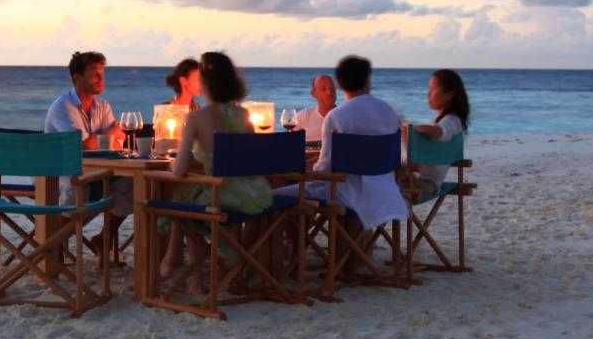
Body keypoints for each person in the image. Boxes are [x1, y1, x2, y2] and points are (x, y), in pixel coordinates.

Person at [284, 55, 410, 273]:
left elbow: (324, 168)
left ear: (340, 84)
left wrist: (307, 169)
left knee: (277, 196)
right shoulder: (389, 112)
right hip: (385, 191)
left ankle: (294, 260)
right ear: (368, 81)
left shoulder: (337, 116)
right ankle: (348, 261)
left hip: (345, 193)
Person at [163, 51, 275, 292]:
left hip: (220, 199)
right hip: (252, 197)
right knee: (190, 198)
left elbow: (179, 170)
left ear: (204, 83)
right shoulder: (244, 115)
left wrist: (173, 164)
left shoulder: (196, 118)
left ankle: (196, 280)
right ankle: (234, 265)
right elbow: (253, 159)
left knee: (184, 197)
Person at [45, 50, 128, 254]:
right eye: (94, 74)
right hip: (58, 174)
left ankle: (104, 237)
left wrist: (103, 138)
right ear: (77, 78)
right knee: (77, 191)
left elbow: (120, 139)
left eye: (102, 74)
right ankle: (50, 249)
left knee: (132, 185)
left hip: (96, 172)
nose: (101, 79)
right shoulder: (63, 106)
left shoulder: (103, 106)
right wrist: (109, 134)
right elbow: (81, 145)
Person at [407, 69, 470, 198]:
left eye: (433, 89)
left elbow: (440, 133)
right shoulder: (441, 121)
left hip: (426, 184)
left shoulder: (452, 120)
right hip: (413, 179)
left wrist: (412, 130)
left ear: (449, 94)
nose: (428, 94)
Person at [293, 74, 337, 144]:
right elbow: (286, 143)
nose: (329, 92)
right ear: (313, 94)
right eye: (323, 89)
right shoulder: (303, 116)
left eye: (331, 88)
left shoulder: (345, 117)